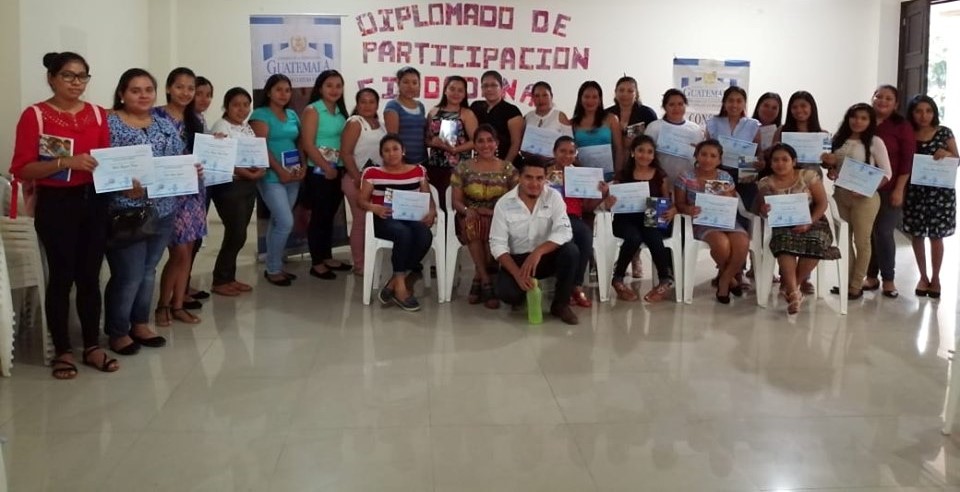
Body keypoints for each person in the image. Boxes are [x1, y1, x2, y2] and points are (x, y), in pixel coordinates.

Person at [9, 52, 114, 378]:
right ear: (51, 78)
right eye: (68, 75)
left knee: (90, 276)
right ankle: (63, 351)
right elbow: (22, 168)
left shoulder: (97, 114)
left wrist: (128, 178)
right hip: (56, 204)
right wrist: (64, 162)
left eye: (82, 76)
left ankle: (92, 345)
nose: (76, 82)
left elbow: (107, 159)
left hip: (94, 201)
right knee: (62, 276)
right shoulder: (36, 116)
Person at [104, 68, 184, 356]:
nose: (143, 95)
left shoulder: (164, 124)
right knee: (129, 274)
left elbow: (177, 158)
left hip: (163, 209)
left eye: (148, 90)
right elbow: (99, 166)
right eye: (135, 90)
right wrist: (121, 185)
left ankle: (139, 323)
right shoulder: (109, 124)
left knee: (149, 270)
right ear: (122, 93)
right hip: (125, 212)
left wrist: (191, 170)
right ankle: (118, 331)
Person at [489, 160, 580, 325]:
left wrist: (538, 252)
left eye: (539, 178)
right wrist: (517, 274)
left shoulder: (554, 197)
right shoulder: (504, 204)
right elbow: (497, 245)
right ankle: (526, 291)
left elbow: (564, 231)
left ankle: (561, 305)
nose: (534, 183)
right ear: (519, 177)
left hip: (545, 256)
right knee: (508, 295)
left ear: (546, 179)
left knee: (571, 251)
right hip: (518, 260)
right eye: (528, 177)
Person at [821, 103, 893, 300]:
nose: (858, 121)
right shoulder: (838, 139)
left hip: (865, 199)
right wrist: (831, 170)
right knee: (843, 240)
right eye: (854, 117)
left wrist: (866, 189)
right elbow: (833, 168)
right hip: (840, 196)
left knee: (861, 242)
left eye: (863, 118)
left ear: (870, 121)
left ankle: (856, 285)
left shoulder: (875, 142)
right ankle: (846, 282)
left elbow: (887, 173)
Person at [358, 134, 437, 312]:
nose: (391, 153)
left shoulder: (418, 170)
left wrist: (432, 210)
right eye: (386, 150)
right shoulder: (372, 173)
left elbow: (427, 196)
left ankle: (393, 282)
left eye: (395, 149)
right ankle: (401, 287)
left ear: (403, 151)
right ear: (381, 154)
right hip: (384, 218)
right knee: (403, 234)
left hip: (411, 217)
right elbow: (361, 201)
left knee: (425, 235)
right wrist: (374, 208)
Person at [153, 67, 207, 325]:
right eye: (179, 87)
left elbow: (200, 153)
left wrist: (215, 144)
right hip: (168, 193)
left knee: (188, 250)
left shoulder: (195, 119)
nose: (185, 93)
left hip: (193, 193)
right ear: (168, 88)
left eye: (190, 88)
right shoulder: (154, 116)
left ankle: (178, 304)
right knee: (179, 253)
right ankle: (162, 305)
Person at [756, 144, 833, 314]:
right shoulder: (765, 182)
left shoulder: (808, 176)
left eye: (785, 159)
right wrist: (764, 210)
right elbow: (763, 209)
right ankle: (794, 292)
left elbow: (822, 203)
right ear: (770, 163)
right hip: (783, 223)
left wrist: (809, 222)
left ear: (794, 161)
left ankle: (792, 288)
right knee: (783, 242)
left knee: (816, 242)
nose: (780, 163)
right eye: (776, 160)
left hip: (814, 220)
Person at [449, 125, 517, 309]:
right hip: (470, 215)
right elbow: (456, 201)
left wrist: (496, 213)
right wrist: (467, 210)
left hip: (499, 215)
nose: (485, 145)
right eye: (480, 141)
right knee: (474, 224)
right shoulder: (463, 168)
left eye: (490, 140)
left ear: (497, 143)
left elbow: (515, 199)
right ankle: (487, 279)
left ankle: (478, 277)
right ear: (474, 145)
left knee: (494, 225)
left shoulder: (508, 169)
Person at [207, 87, 266, 296]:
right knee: (236, 233)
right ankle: (220, 280)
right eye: (236, 105)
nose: (242, 109)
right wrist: (245, 172)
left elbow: (254, 153)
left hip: (247, 184)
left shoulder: (245, 127)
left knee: (238, 234)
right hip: (229, 186)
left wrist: (259, 169)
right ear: (226, 106)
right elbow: (219, 157)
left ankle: (228, 278)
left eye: (246, 105)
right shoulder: (221, 127)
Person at [674, 139, 750, 304]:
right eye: (704, 154)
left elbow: (733, 201)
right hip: (701, 221)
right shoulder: (685, 177)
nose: (707, 159)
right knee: (722, 245)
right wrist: (689, 209)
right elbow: (679, 204)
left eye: (713, 156)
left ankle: (725, 279)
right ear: (696, 155)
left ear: (719, 159)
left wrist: (729, 196)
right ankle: (730, 281)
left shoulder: (725, 177)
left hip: (726, 219)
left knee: (743, 242)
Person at [249, 73, 305, 286]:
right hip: (271, 176)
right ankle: (273, 268)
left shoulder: (292, 114)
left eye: (287, 90)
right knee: (285, 221)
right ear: (269, 92)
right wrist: (279, 170)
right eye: (279, 89)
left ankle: (274, 265)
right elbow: (260, 146)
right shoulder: (260, 114)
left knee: (278, 221)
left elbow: (300, 141)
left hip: (293, 175)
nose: (283, 94)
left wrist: (302, 166)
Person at [901, 95, 958, 299]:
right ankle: (923, 277)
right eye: (918, 111)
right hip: (915, 192)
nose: (923, 115)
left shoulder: (944, 132)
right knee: (917, 235)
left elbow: (957, 159)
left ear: (934, 112)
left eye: (928, 111)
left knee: (936, 236)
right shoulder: (908, 133)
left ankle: (936, 278)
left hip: (940, 193)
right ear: (912, 113)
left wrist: (947, 154)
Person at [608, 135, 677, 302]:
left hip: (651, 217)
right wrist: (610, 201)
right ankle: (618, 279)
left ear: (653, 155)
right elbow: (612, 201)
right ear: (633, 152)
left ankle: (665, 279)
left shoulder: (660, 175)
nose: (644, 155)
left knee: (653, 236)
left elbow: (667, 201)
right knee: (633, 237)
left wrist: (673, 210)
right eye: (640, 150)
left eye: (649, 152)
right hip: (626, 220)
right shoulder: (623, 175)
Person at [864, 85, 916, 297]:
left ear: (896, 104)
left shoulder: (902, 126)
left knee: (884, 232)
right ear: (872, 98)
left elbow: (907, 160)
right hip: (865, 188)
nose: (882, 101)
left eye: (888, 98)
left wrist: (899, 189)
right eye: (879, 96)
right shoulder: (864, 120)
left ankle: (888, 279)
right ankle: (871, 277)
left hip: (891, 188)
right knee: (869, 233)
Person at [548, 136, 610, 307]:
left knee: (585, 235)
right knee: (570, 241)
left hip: (573, 217)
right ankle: (565, 288)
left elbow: (588, 207)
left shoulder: (581, 174)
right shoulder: (544, 173)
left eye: (571, 152)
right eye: (562, 151)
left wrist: (602, 194)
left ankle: (576, 285)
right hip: (550, 217)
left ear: (576, 154)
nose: (566, 156)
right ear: (554, 152)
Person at [301, 69, 351, 280]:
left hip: (338, 169)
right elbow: (307, 144)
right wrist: (326, 167)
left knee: (329, 215)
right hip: (319, 170)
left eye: (338, 86)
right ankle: (317, 263)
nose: (334, 90)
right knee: (319, 217)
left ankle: (327, 256)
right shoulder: (313, 110)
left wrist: (338, 168)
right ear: (320, 88)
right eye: (329, 85)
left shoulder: (341, 112)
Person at [340, 88, 388, 275]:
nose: (367, 106)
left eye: (371, 102)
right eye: (363, 102)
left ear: (377, 104)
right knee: (360, 221)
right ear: (357, 104)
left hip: (377, 182)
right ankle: (360, 265)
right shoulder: (355, 123)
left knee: (373, 222)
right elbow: (346, 153)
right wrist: (358, 179)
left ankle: (371, 261)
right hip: (356, 179)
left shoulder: (381, 125)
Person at [426, 76, 477, 210]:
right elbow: (426, 139)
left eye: (460, 90)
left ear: (464, 94)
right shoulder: (433, 111)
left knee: (455, 204)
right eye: (452, 89)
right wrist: (433, 143)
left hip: (458, 167)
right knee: (439, 202)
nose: (456, 93)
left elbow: (476, 141)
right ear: (445, 91)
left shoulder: (467, 114)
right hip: (435, 166)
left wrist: (456, 150)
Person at [644, 89, 705, 183]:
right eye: (671, 104)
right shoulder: (654, 127)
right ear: (664, 107)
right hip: (660, 179)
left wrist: (698, 152)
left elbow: (700, 157)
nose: (676, 108)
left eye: (680, 104)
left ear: (685, 105)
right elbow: (645, 154)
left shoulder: (695, 129)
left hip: (687, 181)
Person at [571, 80, 623, 181]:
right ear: (580, 99)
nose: (590, 101)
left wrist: (617, 174)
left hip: (610, 176)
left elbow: (619, 149)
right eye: (586, 97)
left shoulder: (611, 119)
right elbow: (571, 153)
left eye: (594, 97)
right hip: (584, 176)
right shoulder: (573, 123)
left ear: (600, 99)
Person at [470, 70, 523, 165]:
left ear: (502, 88)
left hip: (507, 163)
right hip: (481, 163)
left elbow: (516, 143)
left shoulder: (512, 111)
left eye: (494, 85)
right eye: (485, 86)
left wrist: (505, 167)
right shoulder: (476, 107)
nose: (489, 89)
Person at [383, 66, 428, 166]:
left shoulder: (420, 106)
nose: (410, 86)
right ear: (398, 83)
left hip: (423, 161)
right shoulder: (393, 106)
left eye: (414, 83)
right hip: (402, 163)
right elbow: (392, 140)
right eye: (406, 82)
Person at [521, 81, 572, 165]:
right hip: (530, 163)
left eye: (545, 95)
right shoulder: (528, 116)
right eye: (537, 96)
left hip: (553, 164)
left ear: (551, 96)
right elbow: (521, 141)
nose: (541, 99)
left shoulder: (560, 116)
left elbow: (569, 142)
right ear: (532, 98)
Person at [605, 76, 658, 155]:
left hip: (639, 159)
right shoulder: (606, 114)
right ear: (615, 92)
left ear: (636, 94)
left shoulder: (648, 114)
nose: (625, 94)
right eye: (621, 90)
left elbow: (654, 142)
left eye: (630, 91)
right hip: (610, 158)